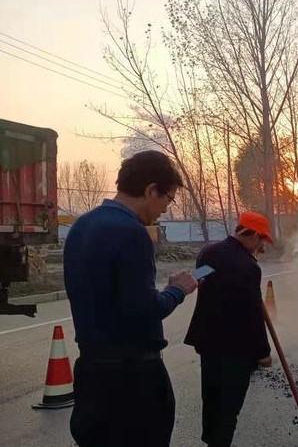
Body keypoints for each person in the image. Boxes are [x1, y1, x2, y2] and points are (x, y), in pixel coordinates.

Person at [64, 150, 198, 447]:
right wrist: (177, 290)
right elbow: (143, 310)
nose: (166, 208)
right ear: (151, 190)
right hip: (132, 380)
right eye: (168, 199)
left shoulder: (81, 227)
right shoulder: (132, 232)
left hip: (91, 375)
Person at [185, 211, 273, 447]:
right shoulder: (248, 267)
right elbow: (252, 315)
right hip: (235, 350)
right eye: (261, 240)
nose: (261, 246)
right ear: (252, 234)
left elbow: (199, 278)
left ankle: (212, 441)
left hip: (208, 343)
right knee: (229, 407)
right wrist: (263, 352)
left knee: (212, 399)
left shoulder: (209, 253)